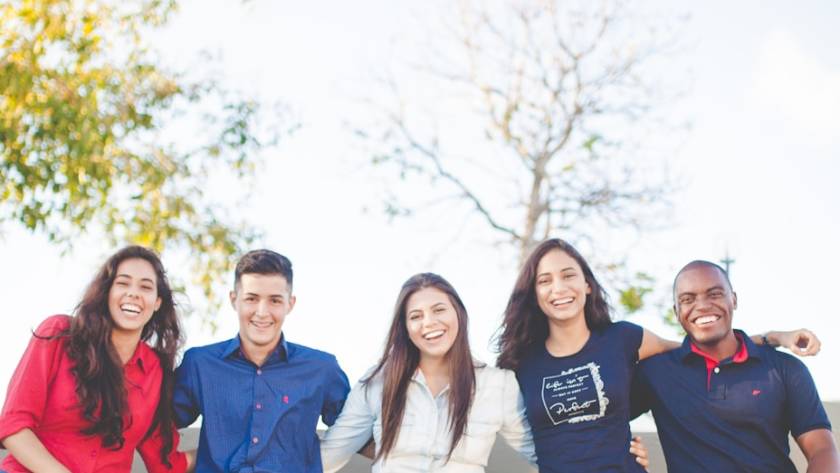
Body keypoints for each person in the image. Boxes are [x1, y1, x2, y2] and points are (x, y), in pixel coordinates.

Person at [495, 238, 819, 472]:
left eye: (568, 275)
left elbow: (699, 347)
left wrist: (772, 338)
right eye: (545, 280)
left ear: (587, 284)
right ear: (534, 292)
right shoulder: (522, 363)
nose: (559, 287)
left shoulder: (623, 338)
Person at [319, 272, 650, 473]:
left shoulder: (497, 385)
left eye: (438, 310)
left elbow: (547, 454)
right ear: (405, 327)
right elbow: (328, 457)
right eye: (416, 316)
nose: (429, 323)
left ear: (459, 315)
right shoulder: (377, 384)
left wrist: (617, 453)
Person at [631, 260, 839, 472]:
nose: (702, 306)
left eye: (714, 294)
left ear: (734, 300)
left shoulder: (784, 368)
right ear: (677, 311)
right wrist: (628, 454)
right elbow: (600, 418)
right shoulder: (655, 373)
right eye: (688, 299)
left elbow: (822, 450)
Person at [0, 245, 191, 472]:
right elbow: (13, 426)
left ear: (157, 302)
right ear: (107, 292)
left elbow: (165, 463)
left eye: (146, 287)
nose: (133, 293)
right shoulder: (59, 334)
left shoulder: (155, 370)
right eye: (123, 283)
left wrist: (229, 450)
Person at [173, 249, 350, 472]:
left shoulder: (322, 369)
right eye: (251, 299)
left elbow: (357, 430)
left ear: (290, 304)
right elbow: (155, 424)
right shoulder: (199, 364)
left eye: (275, 300)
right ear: (234, 300)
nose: (262, 312)